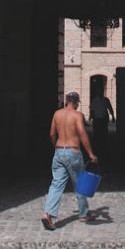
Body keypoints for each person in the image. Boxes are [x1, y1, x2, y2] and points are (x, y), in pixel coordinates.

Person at [41, 91, 97, 231]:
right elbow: (82, 134)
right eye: (78, 103)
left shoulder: (57, 114)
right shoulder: (77, 115)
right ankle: (83, 214)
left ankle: (47, 214)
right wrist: (90, 153)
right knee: (81, 183)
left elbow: (52, 134)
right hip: (73, 151)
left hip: (59, 151)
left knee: (56, 184)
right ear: (76, 102)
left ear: (66, 101)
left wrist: (57, 147)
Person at [90, 89, 115, 160]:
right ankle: (97, 148)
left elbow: (110, 108)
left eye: (101, 92)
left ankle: (103, 148)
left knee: (103, 133)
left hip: (103, 119)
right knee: (97, 134)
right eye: (99, 92)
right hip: (97, 119)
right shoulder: (95, 100)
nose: (100, 93)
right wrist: (91, 116)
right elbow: (92, 109)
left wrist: (113, 116)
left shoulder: (105, 100)